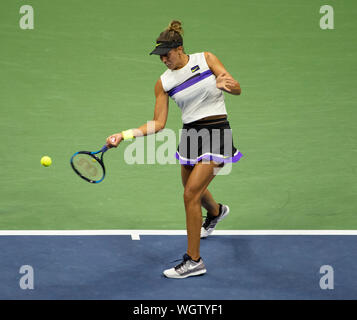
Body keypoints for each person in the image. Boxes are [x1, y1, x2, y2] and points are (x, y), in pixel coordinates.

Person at [106, 20, 242, 279]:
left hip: (217, 132)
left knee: (190, 195)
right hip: (190, 135)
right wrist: (123, 135)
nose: (163, 60)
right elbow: (158, 123)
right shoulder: (163, 82)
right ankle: (216, 212)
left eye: (166, 55)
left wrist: (231, 86)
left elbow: (236, 87)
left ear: (179, 48)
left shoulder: (206, 59)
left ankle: (194, 261)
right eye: (160, 57)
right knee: (192, 190)